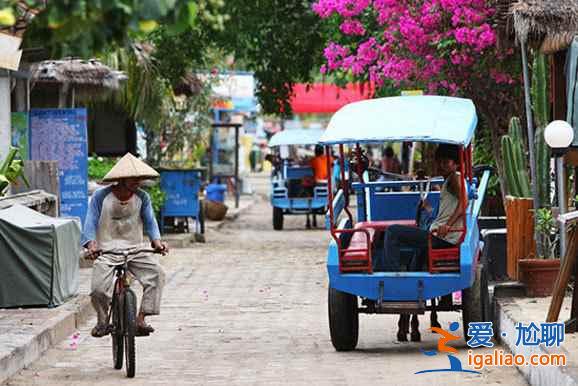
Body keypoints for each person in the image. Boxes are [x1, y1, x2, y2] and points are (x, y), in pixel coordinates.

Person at [83, 153, 168, 338]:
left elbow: (151, 222)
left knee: (157, 274)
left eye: (139, 178)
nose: (137, 181)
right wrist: (91, 244)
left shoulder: (142, 197)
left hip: (135, 249)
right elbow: (90, 222)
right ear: (121, 178)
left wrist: (157, 242)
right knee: (98, 289)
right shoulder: (101, 196)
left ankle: (141, 318)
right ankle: (103, 320)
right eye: (133, 178)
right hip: (106, 250)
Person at [378, 144, 465, 273]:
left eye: (446, 162)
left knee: (391, 232)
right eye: (440, 162)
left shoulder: (454, 178)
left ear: (456, 164)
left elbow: (464, 202)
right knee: (417, 251)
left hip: (442, 238)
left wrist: (447, 225)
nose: (442, 165)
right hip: (439, 235)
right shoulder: (449, 180)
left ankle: (391, 276)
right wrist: (428, 207)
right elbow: (446, 210)